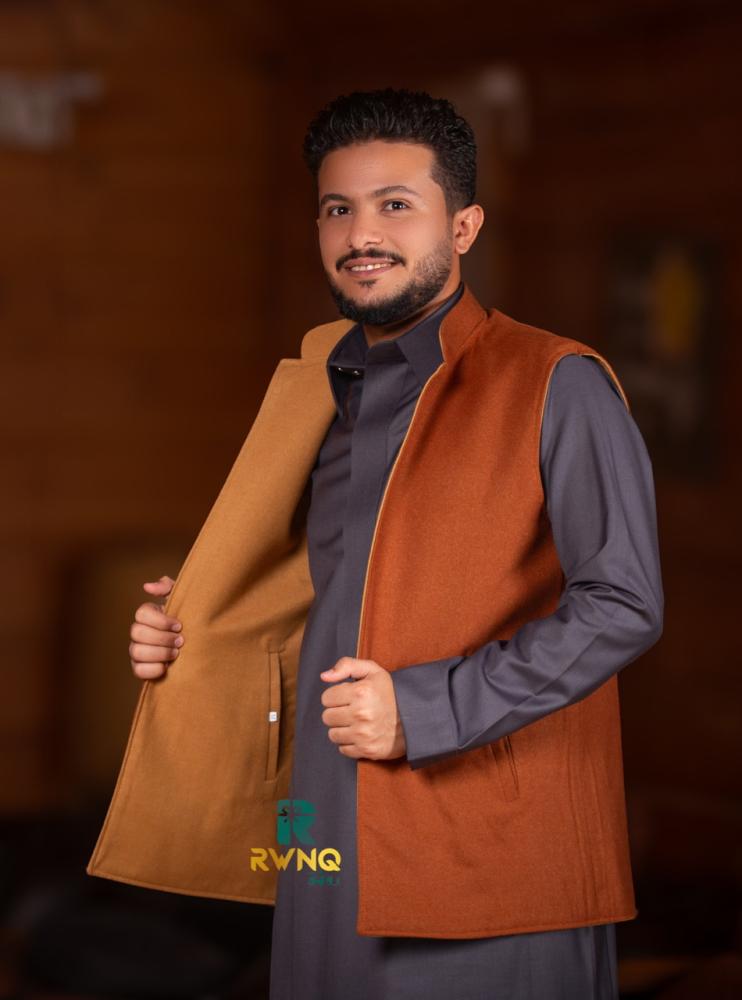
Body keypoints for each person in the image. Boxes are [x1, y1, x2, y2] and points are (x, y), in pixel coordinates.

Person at [90, 89, 663, 999]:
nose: (362, 233)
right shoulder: (317, 385)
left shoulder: (558, 382)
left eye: (396, 204)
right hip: (318, 838)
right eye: (337, 208)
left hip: (493, 855)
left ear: (463, 226)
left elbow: (624, 603)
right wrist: (191, 639)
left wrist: (426, 710)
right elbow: (325, 596)